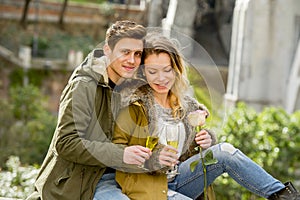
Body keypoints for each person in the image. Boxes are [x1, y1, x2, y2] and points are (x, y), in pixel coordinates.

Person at [112, 33, 300, 200]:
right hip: (147, 186)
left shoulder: (187, 106)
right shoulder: (133, 106)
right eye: (153, 71)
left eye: (167, 70)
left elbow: (190, 152)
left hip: (182, 178)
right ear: (144, 72)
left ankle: (285, 196)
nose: (161, 78)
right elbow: (117, 153)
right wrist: (153, 159)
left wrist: (206, 141)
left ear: (176, 69)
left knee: (224, 150)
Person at [26, 20, 152, 200]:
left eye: (137, 54)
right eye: (125, 52)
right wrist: (121, 154)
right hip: (77, 186)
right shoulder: (83, 86)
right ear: (108, 50)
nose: (132, 60)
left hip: (122, 179)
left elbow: (169, 87)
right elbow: (66, 143)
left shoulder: (128, 85)